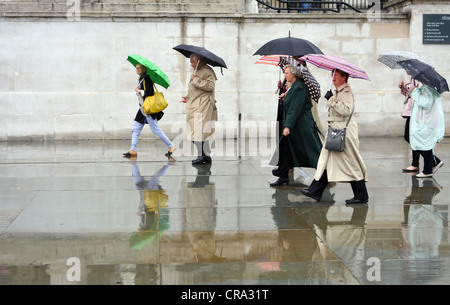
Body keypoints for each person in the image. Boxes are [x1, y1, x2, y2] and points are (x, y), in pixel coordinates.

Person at [301, 69, 369, 204]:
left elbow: (346, 110)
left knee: (351, 162)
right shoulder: (338, 91)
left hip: (345, 133)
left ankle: (361, 195)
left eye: (336, 75)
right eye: (332, 75)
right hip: (335, 131)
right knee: (326, 160)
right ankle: (315, 191)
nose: (333, 78)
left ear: (344, 77)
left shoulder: (346, 92)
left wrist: (331, 99)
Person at [270, 64, 322, 186]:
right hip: (296, 125)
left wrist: (287, 126)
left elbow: (295, 108)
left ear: (294, 74)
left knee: (313, 151)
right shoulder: (294, 86)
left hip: (302, 126)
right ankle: (283, 174)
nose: (285, 75)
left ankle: (324, 174)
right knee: (286, 149)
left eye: (286, 73)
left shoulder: (299, 87)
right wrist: (285, 97)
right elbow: (292, 102)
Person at [123, 64, 176, 158]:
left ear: (143, 69)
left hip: (148, 109)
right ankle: (133, 150)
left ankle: (171, 146)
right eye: (136, 68)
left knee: (155, 129)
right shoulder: (142, 79)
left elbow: (150, 92)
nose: (137, 70)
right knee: (135, 127)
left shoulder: (147, 78)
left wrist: (139, 91)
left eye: (139, 68)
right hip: (143, 108)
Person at [180, 54, 218, 164]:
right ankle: (206, 155)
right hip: (194, 105)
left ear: (199, 60)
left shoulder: (207, 70)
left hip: (204, 105)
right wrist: (187, 98)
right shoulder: (196, 70)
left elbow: (211, 86)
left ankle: (202, 155)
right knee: (194, 132)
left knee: (198, 132)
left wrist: (195, 79)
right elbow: (194, 90)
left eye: (192, 62)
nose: (191, 64)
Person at [408, 84, 444, 178]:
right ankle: (433, 163)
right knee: (422, 144)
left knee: (425, 145)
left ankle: (428, 170)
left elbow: (425, 102)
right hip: (423, 120)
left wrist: (415, 91)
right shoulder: (427, 87)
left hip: (426, 121)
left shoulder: (429, 88)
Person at [399, 75, 421, 173]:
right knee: (410, 137)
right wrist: (403, 88)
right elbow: (409, 95)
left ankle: (431, 159)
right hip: (410, 111)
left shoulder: (418, 80)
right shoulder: (411, 79)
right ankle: (417, 163)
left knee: (410, 137)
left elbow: (420, 95)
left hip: (415, 112)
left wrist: (415, 90)